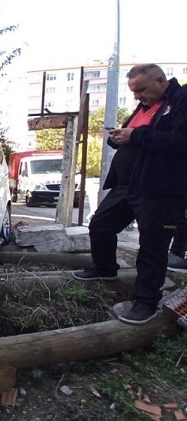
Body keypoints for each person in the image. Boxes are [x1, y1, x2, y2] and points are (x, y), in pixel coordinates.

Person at [72, 64, 187, 324]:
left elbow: (180, 141)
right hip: (127, 184)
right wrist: (119, 137)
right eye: (133, 91)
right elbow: (134, 136)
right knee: (100, 225)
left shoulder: (181, 100)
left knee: (151, 246)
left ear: (160, 80)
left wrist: (136, 136)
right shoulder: (145, 106)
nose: (137, 96)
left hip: (159, 188)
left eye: (141, 90)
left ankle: (146, 302)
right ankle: (105, 269)